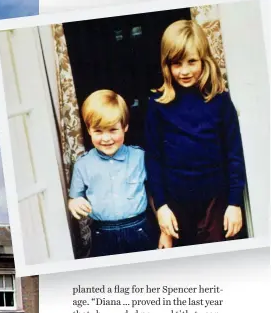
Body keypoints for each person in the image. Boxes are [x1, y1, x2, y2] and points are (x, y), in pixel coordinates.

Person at [145, 20, 246, 247]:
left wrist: (234, 203)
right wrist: (161, 207)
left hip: (216, 203)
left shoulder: (219, 101)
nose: (185, 71)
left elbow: (234, 154)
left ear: (204, 60)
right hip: (177, 205)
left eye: (192, 62)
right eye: (176, 64)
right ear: (166, 65)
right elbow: (153, 159)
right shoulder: (157, 104)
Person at [68, 89, 159, 257]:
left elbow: (155, 194)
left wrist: (164, 231)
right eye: (98, 131)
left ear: (125, 127)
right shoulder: (82, 164)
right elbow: (75, 197)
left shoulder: (140, 157)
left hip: (140, 229)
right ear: (88, 130)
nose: (106, 138)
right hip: (102, 234)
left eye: (112, 130)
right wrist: (74, 203)